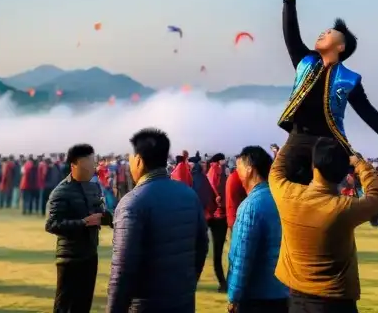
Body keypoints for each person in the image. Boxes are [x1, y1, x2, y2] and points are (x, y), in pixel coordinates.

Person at [277, 0, 378, 185]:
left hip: (330, 142)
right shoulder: (304, 61)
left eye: (330, 33)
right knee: (285, 185)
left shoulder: (349, 79)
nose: (323, 32)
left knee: (324, 193)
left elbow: (366, 110)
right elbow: (291, 34)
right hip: (298, 137)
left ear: (341, 47)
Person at [268, 133, 378, 312]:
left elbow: (276, 171)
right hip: (336, 301)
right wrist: (360, 163)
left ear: (314, 166)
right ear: (343, 172)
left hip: (296, 299)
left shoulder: (287, 194)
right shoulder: (343, 208)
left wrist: (295, 135)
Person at [107, 128, 209, 313]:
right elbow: (202, 246)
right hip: (183, 301)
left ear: (138, 160)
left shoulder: (132, 202)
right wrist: (187, 286)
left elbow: (122, 270)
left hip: (146, 305)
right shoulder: (189, 195)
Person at [46, 144, 109, 313]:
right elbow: (52, 225)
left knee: (84, 304)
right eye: (89, 161)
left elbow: (100, 213)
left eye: (94, 160)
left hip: (90, 254)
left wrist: (114, 218)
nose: (93, 165)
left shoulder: (93, 187)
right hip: (70, 258)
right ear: (75, 164)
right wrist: (83, 222)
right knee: (65, 306)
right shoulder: (61, 191)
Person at [226, 146, 288, 313]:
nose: (236, 173)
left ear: (249, 169)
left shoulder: (250, 206)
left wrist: (233, 296)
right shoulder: (282, 199)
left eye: (238, 167)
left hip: (258, 297)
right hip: (286, 292)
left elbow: (242, 257)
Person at [206, 154, 229, 293]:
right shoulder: (216, 172)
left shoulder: (212, 172)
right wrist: (219, 198)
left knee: (216, 252)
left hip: (214, 215)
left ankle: (223, 282)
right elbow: (216, 189)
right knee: (218, 252)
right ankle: (223, 282)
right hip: (219, 216)